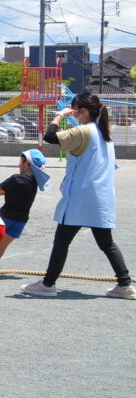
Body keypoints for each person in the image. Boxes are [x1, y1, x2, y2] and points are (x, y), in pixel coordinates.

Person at [22, 93, 133, 299]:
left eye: (74, 109)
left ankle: (47, 284)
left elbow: (50, 137)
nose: (72, 113)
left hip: (81, 196)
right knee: (106, 243)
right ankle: (125, 285)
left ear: (81, 111)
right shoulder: (104, 132)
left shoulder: (83, 130)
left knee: (62, 241)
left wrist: (59, 115)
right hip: (101, 196)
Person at [0, 150, 49, 278]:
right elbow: (8, 191)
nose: (19, 164)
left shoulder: (16, 178)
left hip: (5, 217)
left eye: (21, 161)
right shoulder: (34, 181)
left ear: (26, 163)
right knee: (2, 247)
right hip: (21, 220)